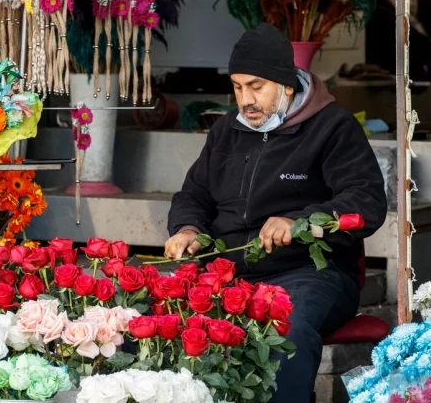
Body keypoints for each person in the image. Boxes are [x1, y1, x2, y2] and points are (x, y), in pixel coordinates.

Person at [165, 23, 387, 402]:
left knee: (285, 329)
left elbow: (366, 201)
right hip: (228, 271)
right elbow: (194, 194)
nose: (245, 99)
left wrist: (300, 222)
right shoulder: (225, 132)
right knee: (165, 322)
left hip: (312, 274)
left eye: (256, 86)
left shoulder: (333, 127)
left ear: (286, 84)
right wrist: (187, 228)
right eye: (237, 87)